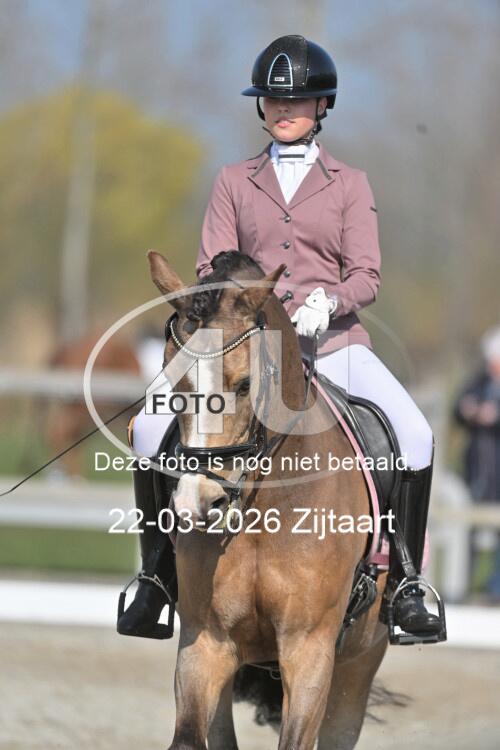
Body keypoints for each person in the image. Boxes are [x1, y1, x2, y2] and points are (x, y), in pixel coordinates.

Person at [117, 34, 443, 640]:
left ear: (322, 106)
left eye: (297, 99)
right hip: (245, 346)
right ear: (261, 106)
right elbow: (213, 268)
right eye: (272, 99)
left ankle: (404, 581)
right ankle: (156, 575)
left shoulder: (350, 183)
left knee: (415, 436)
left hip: (334, 344)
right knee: (147, 430)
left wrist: (331, 300)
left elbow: (366, 274)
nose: (283, 108)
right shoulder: (234, 180)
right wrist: (243, 311)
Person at [454, 325, 500, 601]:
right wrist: (469, 410)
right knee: (469, 527)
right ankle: (466, 586)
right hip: (478, 466)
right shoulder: (479, 381)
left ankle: (495, 589)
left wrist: (494, 417)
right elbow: (457, 407)